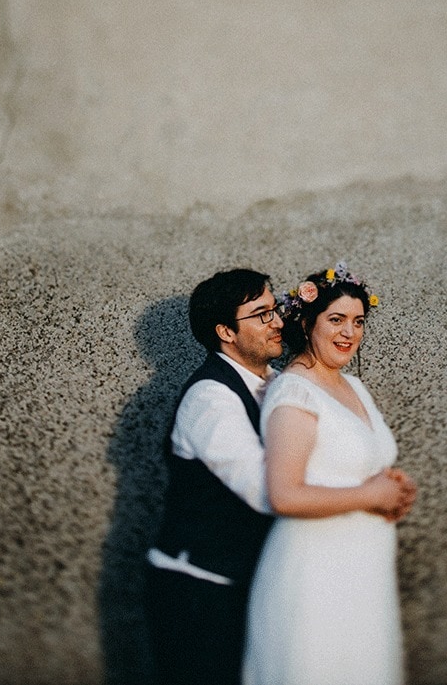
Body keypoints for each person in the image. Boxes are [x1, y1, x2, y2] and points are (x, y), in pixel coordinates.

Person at [144, 269, 400, 685]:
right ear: (226, 332)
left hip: (253, 576)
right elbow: (267, 492)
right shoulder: (210, 398)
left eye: (275, 309)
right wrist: (370, 495)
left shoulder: (282, 383)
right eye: (261, 314)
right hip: (201, 587)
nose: (278, 321)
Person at [243, 263, 416, 685]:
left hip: (364, 572)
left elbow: (360, 467)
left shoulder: (355, 387)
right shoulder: (295, 391)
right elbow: (284, 494)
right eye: (336, 320)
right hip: (316, 576)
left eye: (358, 322)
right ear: (306, 324)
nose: (349, 333)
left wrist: (395, 488)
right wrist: (371, 496)